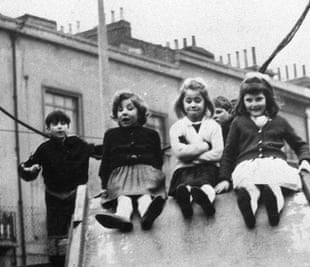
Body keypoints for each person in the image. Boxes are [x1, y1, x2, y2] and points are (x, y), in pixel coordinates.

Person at [218, 72, 310, 229]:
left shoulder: (279, 121)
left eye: (259, 99)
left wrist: (305, 160)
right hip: (248, 165)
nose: (254, 104)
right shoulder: (238, 123)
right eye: (249, 100)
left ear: (267, 99)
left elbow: (299, 144)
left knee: (275, 181)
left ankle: (274, 203)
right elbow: (229, 152)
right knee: (248, 184)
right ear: (242, 101)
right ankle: (249, 205)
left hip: (273, 163)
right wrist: (224, 178)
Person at [18, 110, 99, 266]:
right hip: (54, 196)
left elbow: (95, 151)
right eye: (55, 124)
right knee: (56, 233)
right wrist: (30, 169)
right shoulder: (44, 148)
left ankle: (86, 259)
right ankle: (58, 262)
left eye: (63, 124)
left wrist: (115, 148)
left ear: (68, 126)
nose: (60, 127)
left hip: (76, 195)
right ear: (48, 129)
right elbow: (28, 168)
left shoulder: (77, 143)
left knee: (79, 227)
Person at [95, 90, 166, 232]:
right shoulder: (111, 135)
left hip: (146, 174)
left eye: (130, 108)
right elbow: (106, 160)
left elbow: (158, 159)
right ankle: (122, 218)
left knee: (145, 197)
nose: (124, 113)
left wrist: (157, 177)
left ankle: (148, 215)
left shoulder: (152, 134)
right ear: (116, 115)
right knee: (123, 199)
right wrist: (104, 185)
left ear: (140, 112)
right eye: (120, 110)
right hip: (120, 177)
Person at [169, 77, 228, 218]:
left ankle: (207, 202)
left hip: (208, 169)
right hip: (183, 171)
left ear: (205, 103)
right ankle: (186, 204)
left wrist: (192, 157)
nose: (193, 105)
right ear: (182, 104)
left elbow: (218, 153)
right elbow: (179, 152)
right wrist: (204, 146)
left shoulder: (213, 126)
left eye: (197, 100)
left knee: (207, 186)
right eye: (188, 101)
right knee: (185, 188)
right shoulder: (177, 127)